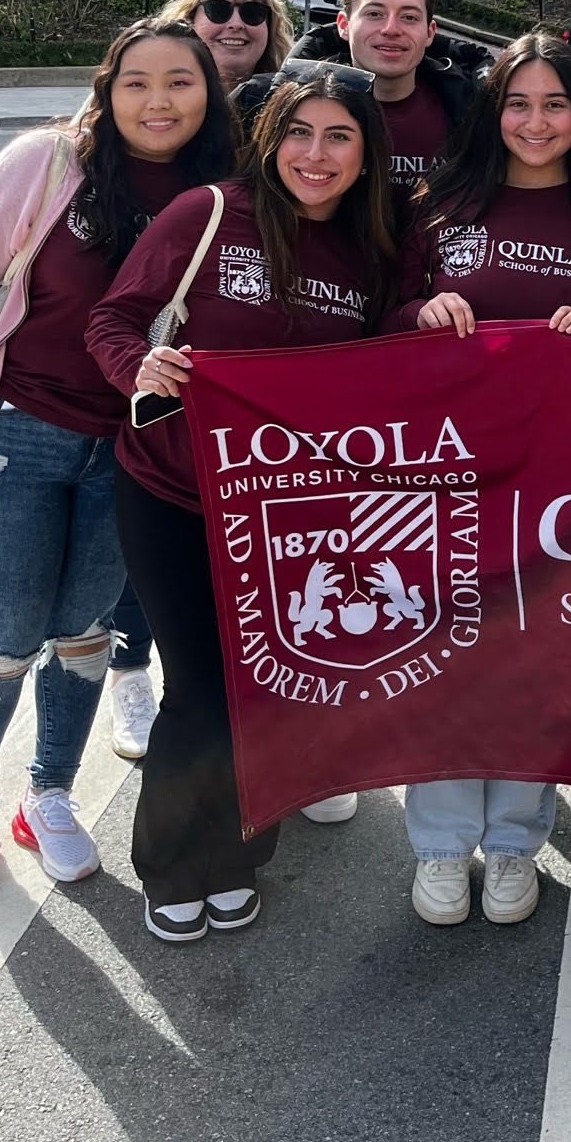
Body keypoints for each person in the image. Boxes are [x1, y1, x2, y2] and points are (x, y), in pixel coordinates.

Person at [0, 21, 237, 897]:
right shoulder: (49, 162)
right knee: (4, 637)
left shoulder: (225, 190)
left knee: (87, 634)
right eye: (137, 82)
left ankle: (47, 796)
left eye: (180, 81)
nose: (158, 100)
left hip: (130, 449)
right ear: (108, 86)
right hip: (13, 435)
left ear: (210, 91)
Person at [88, 62, 395, 942]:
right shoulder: (210, 214)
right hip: (173, 490)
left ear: (367, 155)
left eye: (340, 136)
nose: (317, 153)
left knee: (262, 686)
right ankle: (172, 861)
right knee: (196, 688)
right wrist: (137, 370)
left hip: (288, 512)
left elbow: (380, 366)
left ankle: (240, 851)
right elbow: (113, 319)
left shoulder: (368, 249)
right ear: (270, 139)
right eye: (300, 132)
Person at [384, 34, 571, 930]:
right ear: (493, 112)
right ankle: (443, 845)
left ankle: (516, 840)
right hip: (444, 476)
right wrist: (426, 311)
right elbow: (383, 317)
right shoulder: (439, 205)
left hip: (562, 484)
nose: (536, 122)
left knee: (536, 660)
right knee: (448, 657)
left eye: (556, 104)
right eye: (517, 103)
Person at [279, 0, 481, 207]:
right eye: (375, 14)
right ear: (344, 24)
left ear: (429, 33)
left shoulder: (470, 110)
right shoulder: (291, 105)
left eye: (409, 17)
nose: (391, 29)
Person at [159, 0, 293, 91]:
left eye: (252, 12)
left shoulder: (296, 104)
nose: (236, 24)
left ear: (270, 26)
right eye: (218, 10)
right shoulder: (156, 100)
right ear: (189, 20)